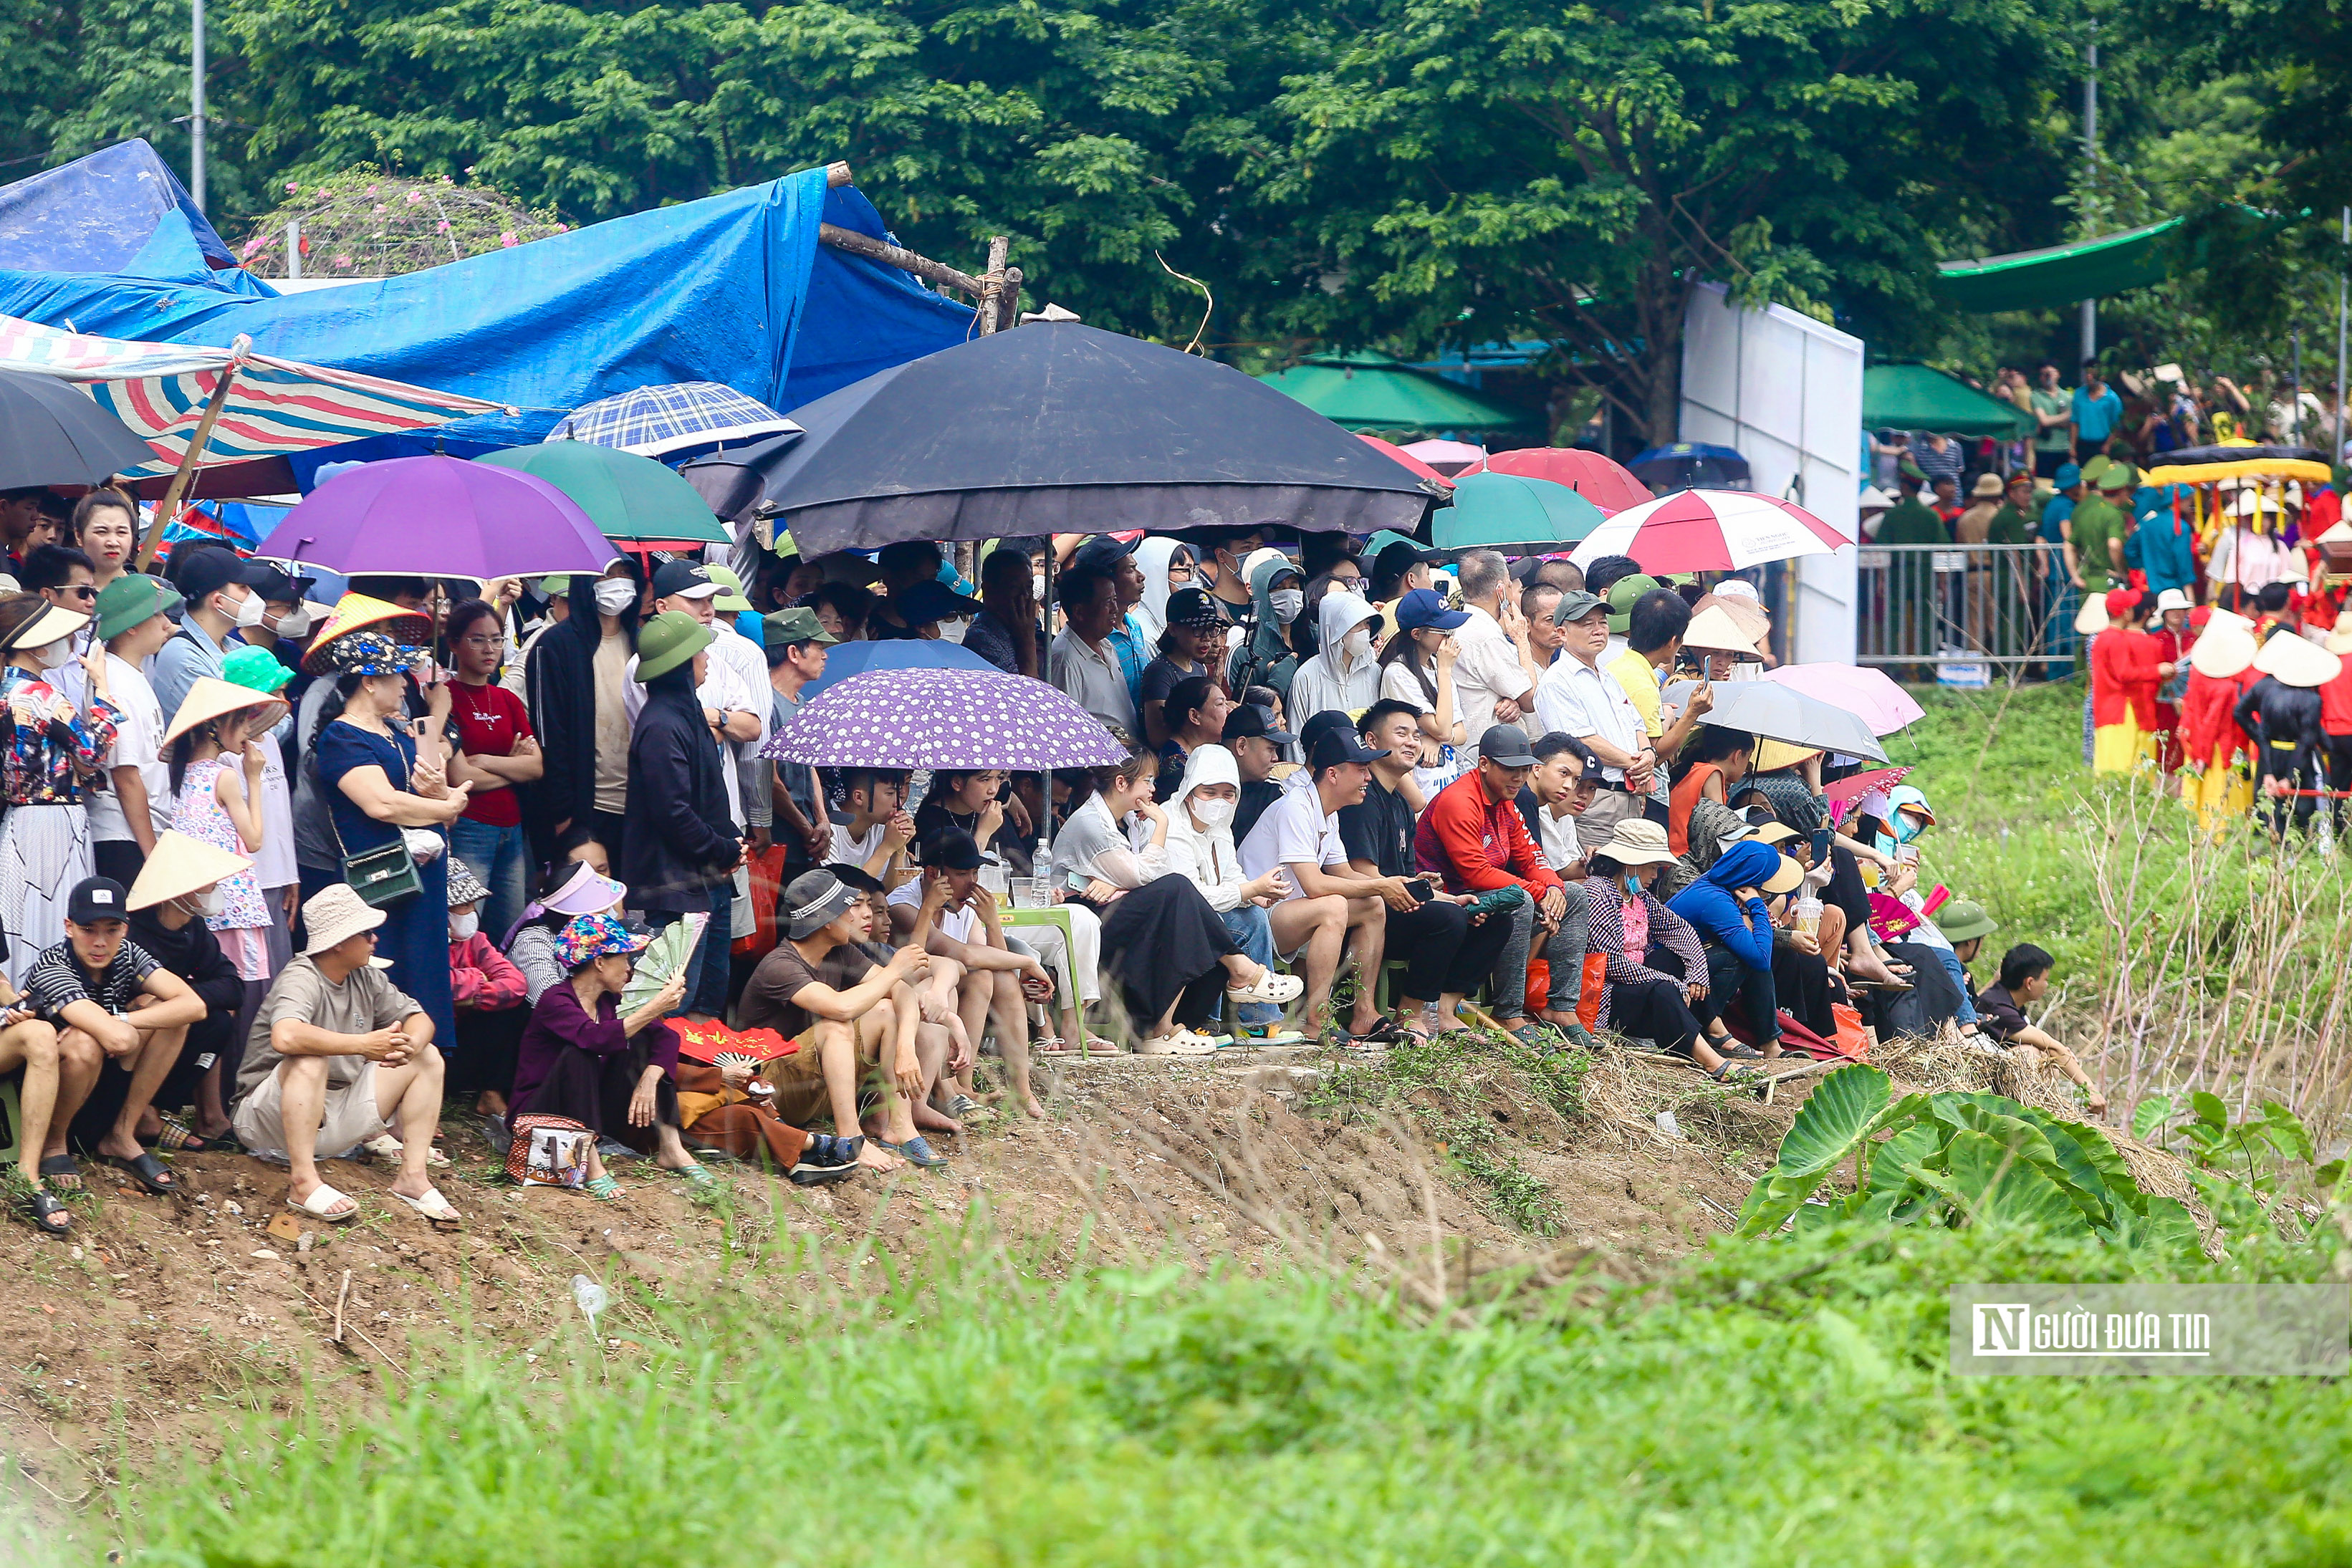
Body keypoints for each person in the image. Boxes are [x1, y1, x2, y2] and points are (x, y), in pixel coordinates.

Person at [233, 884, 458, 1222]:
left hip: (334, 1117)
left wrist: (408, 1046)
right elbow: (287, 1036)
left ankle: (412, 1178)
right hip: (266, 1120)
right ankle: (303, 1182)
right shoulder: (301, 976)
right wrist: (364, 1045)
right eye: (367, 933)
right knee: (308, 1058)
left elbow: (419, 1018)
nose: (375, 940)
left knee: (426, 1057)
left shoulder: (366, 976)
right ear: (338, 942)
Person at [1058, 751, 1303, 1053]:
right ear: (1122, 783)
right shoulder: (1095, 823)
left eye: (1228, 794)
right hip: (1088, 925)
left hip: (1115, 914)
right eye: (1148, 781)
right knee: (1180, 893)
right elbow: (1150, 875)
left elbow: (1142, 877)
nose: (1153, 790)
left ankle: (1182, 1022)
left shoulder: (1129, 822)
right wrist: (1161, 823)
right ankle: (1239, 977)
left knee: (1225, 910)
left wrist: (1252, 892)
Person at [308, 626, 467, 1047]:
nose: (404, 683)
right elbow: (381, 804)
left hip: (425, 873)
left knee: (426, 963)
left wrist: (440, 793)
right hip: (382, 879)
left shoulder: (397, 731)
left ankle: (424, 1061)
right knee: (387, 965)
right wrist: (446, 807)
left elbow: (429, 783)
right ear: (368, 682)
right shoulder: (341, 737)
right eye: (396, 674)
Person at [14, 872, 204, 1203]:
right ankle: (53, 1146)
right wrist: (117, 1024)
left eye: (111, 930)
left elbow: (194, 1005)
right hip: (53, 1096)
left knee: (169, 1016)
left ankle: (122, 1134)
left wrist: (123, 1015)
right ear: (69, 927)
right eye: (89, 930)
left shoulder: (128, 953)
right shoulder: (52, 966)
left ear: (125, 929)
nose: (100, 942)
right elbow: (119, 1042)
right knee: (85, 1042)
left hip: (104, 1083)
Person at [736, 867, 940, 1172]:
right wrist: (895, 970)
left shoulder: (840, 952)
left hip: (816, 1087)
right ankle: (851, 1140)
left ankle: (900, 1126)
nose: (856, 916)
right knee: (836, 1025)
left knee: (885, 1010)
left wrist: (906, 1049)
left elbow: (902, 993)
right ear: (825, 921)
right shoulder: (779, 965)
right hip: (768, 1092)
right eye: (848, 909)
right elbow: (840, 1008)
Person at [1408, 721, 1586, 1044]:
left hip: (1482, 895)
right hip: (1447, 899)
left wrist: (1555, 889)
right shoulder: (1461, 800)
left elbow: (1531, 858)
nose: (1518, 778)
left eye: (1523, 770)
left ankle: (1561, 1006)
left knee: (1574, 893)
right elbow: (1475, 872)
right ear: (1484, 764)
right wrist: (1539, 892)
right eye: (1509, 769)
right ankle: (1508, 1010)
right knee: (1520, 899)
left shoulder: (1507, 802)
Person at [510, 913, 714, 1194]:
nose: (629, 969)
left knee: (644, 1040)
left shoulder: (610, 1001)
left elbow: (665, 1037)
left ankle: (672, 1149)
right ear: (600, 962)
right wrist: (655, 1007)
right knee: (579, 1053)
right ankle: (592, 1166)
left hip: (592, 1106)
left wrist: (650, 1078)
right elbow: (593, 1039)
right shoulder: (555, 1000)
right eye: (625, 959)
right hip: (543, 1108)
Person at [623, 610, 744, 1022]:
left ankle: (706, 1084)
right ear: (679, 664)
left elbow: (708, 797)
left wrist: (730, 846)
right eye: (699, 651)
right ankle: (661, 1085)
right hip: (675, 887)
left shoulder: (687, 712)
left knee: (710, 997)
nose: (707, 657)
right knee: (676, 1001)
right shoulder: (660, 724)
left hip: (708, 878)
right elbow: (673, 812)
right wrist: (723, 847)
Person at [885, 829, 1050, 1119]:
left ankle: (1019, 1089)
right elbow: (963, 954)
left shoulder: (966, 907)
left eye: (975, 873)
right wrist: (1029, 962)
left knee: (996, 978)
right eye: (963, 873)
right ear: (933, 873)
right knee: (979, 975)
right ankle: (956, 1088)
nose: (972, 883)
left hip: (953, 990)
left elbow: (996, 962)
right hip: (913, 994)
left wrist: (992, 922)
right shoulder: (902, 905)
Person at [0, 594, 121, 986]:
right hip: (54, 818)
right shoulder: (41, 695)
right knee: (54, 916)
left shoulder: (6, 692)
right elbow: (93, 749)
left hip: (18, 819)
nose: (68, 644)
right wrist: (102, 693)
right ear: (34, 645)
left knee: (22, 913)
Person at [162, 676, 280, 1050]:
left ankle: (207, 1099)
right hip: (234, 903)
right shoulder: (224, 776)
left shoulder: (182, 775)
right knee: (232, 998)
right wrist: (254, 779)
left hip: (201, 902)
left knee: (208, 997)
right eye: (242, 720)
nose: (248, 729)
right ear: (217, 726)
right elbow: (255, 840)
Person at [1578, 819, 1741, 1078]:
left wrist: (1696, 970)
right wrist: (1666, 980)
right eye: (1653, 867)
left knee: (1677, 960)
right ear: (1632, 862)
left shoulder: (1640, 898)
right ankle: (1711, 1061)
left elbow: (1681, 931)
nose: (1656, 875)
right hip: (1604, 994)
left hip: (1636, 982)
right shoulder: (1598, 893)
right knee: (1665, 988)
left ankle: (1713, 1029)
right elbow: (1610, 963)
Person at [1163, 744, 1301, 1044]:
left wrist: (1255, 895)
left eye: (1228, 794)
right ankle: (1206, 1022)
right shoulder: (1170, 825)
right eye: (1209, 792)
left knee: (1253, 915)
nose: (1219, 802)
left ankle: (1257, 1023)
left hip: (1206, 912)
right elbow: (1190, 897)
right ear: (1189, 792)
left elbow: (1231, 875)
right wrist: (1249, 890)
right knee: (1233, 921)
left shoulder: (1220, 825)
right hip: (1172, 920)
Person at [441, 597, 542, 944]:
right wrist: (513, 767)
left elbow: (537, 766)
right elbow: (458, 778)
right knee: (465, 932)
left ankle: (507, 996)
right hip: (469, 827)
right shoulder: (444, 697)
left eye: (497, 639)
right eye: (477, 639)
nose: (490, 649)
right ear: (454, 643)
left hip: (512, 828)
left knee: (512, 931)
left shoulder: (506, 699)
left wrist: (483, 762)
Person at [527, 560, 643, 861]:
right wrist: (562, 811)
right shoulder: (555, 646)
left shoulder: (641, 641)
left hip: (641, 804)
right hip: (588, 809)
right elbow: (549, 734)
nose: (617, 583)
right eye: (607, 575)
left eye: (625, 574)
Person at [1666, 840, 1805, 1063]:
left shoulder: (1715, 883)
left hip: (1691, 965)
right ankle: (1712, 1030)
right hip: (1676, 976)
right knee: (1744, 958)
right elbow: (1760, 959)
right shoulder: (1717, 901)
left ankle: (1771, 1045)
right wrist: (1757, 905)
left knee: (1750, 951)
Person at [85, 574, 183, 888]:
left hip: (142, 831)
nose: (168, 624)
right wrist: (150, 851)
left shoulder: (133, 674)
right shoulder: (115, 681)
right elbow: (126, 777)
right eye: (158, 615)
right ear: (131, 625)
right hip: (124, 836)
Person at [1534, 589, 1651, 850]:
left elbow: (1637, 726)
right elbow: (1580, 743)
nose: (1598, 630)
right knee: (1599, 879)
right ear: (1562, 633)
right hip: (1594, 799)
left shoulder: (1608, 677)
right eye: (1587, 624)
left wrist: (1648, 754)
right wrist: (1636, 765)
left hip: (1628, 793)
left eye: (1602, 623)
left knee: (1630, 884)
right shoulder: (1556, 681)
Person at [1974, 943, 2106, 1115]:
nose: (2046, 985)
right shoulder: (1997, 1006)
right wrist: (2090, 1089)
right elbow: (2052, 1047)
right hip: (1983, 1078)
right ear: (2029, 983)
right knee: (2030, 1052)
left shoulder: (2007, 999)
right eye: (2045, 980)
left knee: (2046, 1058)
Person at [148, 547, 276, 722]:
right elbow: (233, 727)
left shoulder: (236, 647)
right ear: (218, 601)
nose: (252, 595)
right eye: (243, 587)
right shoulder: (182, 658)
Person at [758, 606, 839, 878]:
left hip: (805, 839)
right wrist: (807, 829)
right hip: (778, 840)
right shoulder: (764, 702)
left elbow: (809, 765)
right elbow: (770, 781)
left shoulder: (802, 703)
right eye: (818, 647)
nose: (825, 655)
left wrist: (823, 820)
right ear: (794, 653)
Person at [445, 855, 527, 1119]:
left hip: (464, 1043)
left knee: (515, 1009)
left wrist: (474, 995)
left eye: (472, 905)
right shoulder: (423, 942)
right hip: (432, 1044)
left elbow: (516, 984)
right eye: (463, 905)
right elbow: (437, 986)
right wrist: (479, 978)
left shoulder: (476, 941)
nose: (471, 912)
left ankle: (491, 1093)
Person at [2235, 629, 2338, 836]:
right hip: (2299, 758)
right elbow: (2307, 740)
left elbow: (2241, 713)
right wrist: (2291, 775)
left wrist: (2267, 767)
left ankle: (2265, 852)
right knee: (2304, 809)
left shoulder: (2264, 687)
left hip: (2269, 754)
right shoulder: (2311, 699)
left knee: (2268, 807)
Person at [1443, 550, 1545, 761]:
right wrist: (1522, 639)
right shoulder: (1485, 635)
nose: (1512, 589)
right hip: (1485, 756)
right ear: (1500, 590)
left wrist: (1512, 700)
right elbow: (1530, 699)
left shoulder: (1463, 624)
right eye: (1510, 584)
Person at [1377, 587, 1469, 795]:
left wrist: (1433, 739)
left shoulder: (1436, 664)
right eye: (1443, 632)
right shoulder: (1398, 674)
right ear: (1417, 634)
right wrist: (1445, 672)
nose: (1449, 638)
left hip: (1448, 778)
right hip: (1421, 784)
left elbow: (1461, 732)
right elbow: (1444, 729)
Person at [2091, 588, 2175, 774]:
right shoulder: (2117, 639)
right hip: (2121, 710)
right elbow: (2124, 674)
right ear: (2126, 612)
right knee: (2123, 769)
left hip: (2105, 710)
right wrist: (2157, 670)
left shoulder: (2101, 638)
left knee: (2107, 768)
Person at [1050, 567, 1138, 737]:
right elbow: (1067, 730)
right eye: (1107, 602)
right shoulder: (1065, 660)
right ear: (1079, 612)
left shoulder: (1106, 645)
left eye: (1115, 600)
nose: (1115, 609)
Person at [1139, 587, 1228, 749]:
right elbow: (1158, 736)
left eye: (1212, 629)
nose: (1207, 638)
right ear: (1173, 629)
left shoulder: (1199, 667)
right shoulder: (1160, 673)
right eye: (1198, 628)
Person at [1286, 590, 1383, 723]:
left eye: (1367, 623)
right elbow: (1296, 735)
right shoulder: (1306, 677)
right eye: (1356, 624)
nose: (1364, 630)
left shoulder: (1375, 672)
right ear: (1335, 628)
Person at [1227, 553, 1304, 703]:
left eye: (1294, 587)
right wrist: (1274, 688)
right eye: (1278, 588)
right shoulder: (1246, 654)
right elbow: (1240, 714)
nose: (1288, 593)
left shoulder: (1313, 638)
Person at [1669, 724, 1752, 857]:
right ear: (1738, 756)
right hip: (1683, 857)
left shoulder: (1698, 770)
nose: (1747, 766)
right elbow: (1720, 828)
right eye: (1748, 759)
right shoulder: (1712, 773)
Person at [964, 542, 1042, 678]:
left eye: (1029, 587)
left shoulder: (1034, 627)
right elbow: (1028, 690)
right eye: (1014, 588)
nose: (1024, 596)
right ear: (989, 591)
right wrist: (1027, 639)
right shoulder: (981, 640)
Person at [828, 768, 916, 885]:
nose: (899, 803)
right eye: (890, 794)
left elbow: (890, 894)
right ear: (859, 797)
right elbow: (845, 896)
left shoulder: (883, 826)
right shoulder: (828, 826)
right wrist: (887, 847)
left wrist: (899, 849)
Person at [1224, 701, 1293, 844]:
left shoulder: (1274, 793)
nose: (1276, 758)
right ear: (1241, 746)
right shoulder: (1199, 787)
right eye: (1270, 749)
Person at [1154, 674, 1232, 799]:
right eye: (1220, 704)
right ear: (1194, 716)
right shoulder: (1174, 766)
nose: (1229, 710)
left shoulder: (1207, 751)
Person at [2067, 462, 2130, 599]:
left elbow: (2069, 544)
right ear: (2122, 491)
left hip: (2088, 582)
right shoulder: (2113, 514)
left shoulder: (2085, 511)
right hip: (2108, 583)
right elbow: (2114, 545)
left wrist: (2075, 576)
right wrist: (2121, 572)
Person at [1130, 537, 1196, 645]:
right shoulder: (1143, 634)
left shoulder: (1172, 620)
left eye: (1194, 570)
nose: (1192, 578)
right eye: (1185, 569)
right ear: (1159, 573)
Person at [69, 490, 138, 593]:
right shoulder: (64, 594)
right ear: (79, 536)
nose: (113, 542)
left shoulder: (155, 590)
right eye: (102, 532)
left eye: (121, 532)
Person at [2071, 359, 2124, 459]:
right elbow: (2074, 422)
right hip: (2083, 444)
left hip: (2102, 445)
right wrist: (2073, 446)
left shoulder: (2112, 398)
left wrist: (2108, 445)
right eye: (2087, 374)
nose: (2088, 377)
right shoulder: (2079, 395)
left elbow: (2117, 425)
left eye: (2092, 374)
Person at [2028, 363, 2073, 477]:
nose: (2048, 377)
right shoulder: (2036, 396)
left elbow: (2071, 424)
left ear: (2058, 374)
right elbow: (2044, 421)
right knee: (2044, 482)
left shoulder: (2068, 397)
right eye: (2044, 374)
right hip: (2044, 448)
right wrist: (2067, 415)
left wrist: (2052, 420)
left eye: (2050, 373)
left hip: (2064, 447)